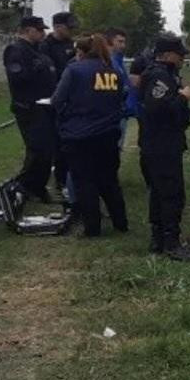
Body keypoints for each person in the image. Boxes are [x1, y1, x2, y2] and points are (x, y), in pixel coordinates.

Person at [51, 34, 128, 236]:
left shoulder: (74, 70)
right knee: (109, 180)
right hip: (108, 134)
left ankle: (92, 228)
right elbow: (121, 98)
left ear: (81, 52)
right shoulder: (114, 72)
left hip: (79, 134)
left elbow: (58, 99)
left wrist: (66, 115)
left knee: (84, 182)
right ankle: (121, 223)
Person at [138, 34, 190, 261]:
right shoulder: (160, 76)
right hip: (162, 144)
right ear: (166, 54)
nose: (182, 57)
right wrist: (182, 98)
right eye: (179, 53)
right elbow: (157, 110)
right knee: (172, 193)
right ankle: (171, 243)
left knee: (159, 192)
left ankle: (158, 239)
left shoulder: (161, 74)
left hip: (158, 142)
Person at [3, 16, 57, 202]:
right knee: (38, 150)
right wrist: (35, 69)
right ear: (28, 30)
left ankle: (37, 186)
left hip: (45, 107)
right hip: (29, 107)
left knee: (46, 151)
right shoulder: (16, 50)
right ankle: (25, 186)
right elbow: (17, 78)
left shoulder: (38, 51)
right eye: (39, 30)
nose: (43, 33)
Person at [41, 11, 78, 194]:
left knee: (68, 139)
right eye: (68, 28)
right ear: (57, 27)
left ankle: (68, 177)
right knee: (57, 142)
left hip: (70, 99)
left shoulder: (70, 44)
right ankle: (60, 180)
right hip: (54, 98)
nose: (71, 31)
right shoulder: (45, 46)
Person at [105, 28, 135, 150]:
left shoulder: (119, 61)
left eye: (124, 42)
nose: (123, 45)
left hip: (123, 113)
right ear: (110, 42)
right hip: (115, 115)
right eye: (120, 41)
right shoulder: (109, 62)